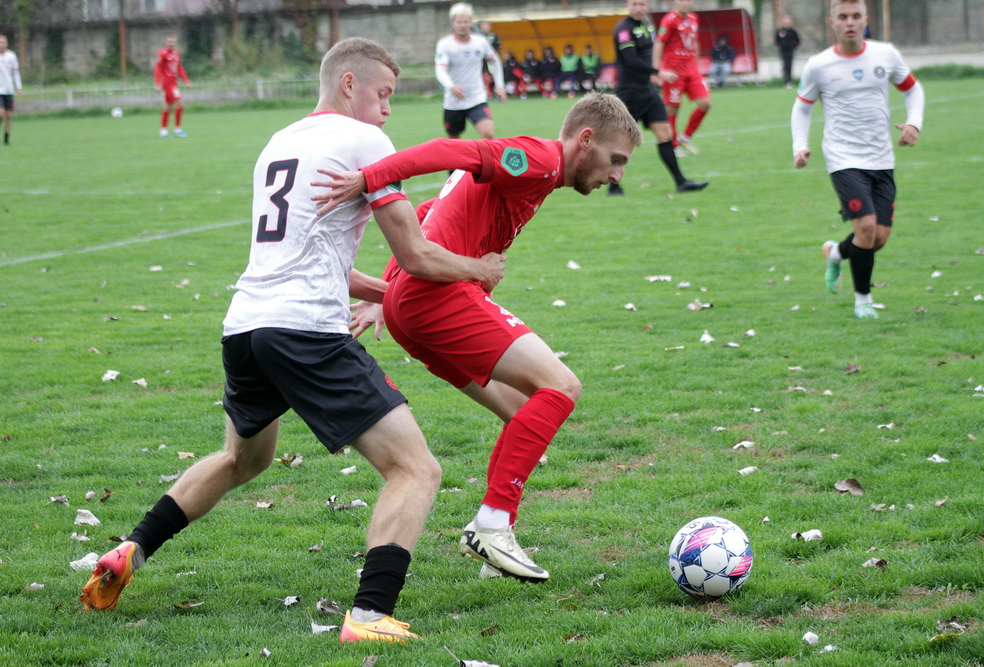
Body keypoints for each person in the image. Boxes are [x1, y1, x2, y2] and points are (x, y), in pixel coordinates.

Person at [80, 37, 506, 644]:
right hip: (306, 331)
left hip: (246, 326)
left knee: (242, 459)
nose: (389, 110)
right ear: (349, 84)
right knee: (415, 469)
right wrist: (477, 270)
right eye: (384, 94)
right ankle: (369, 616)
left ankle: (132, 549)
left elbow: (315, 258)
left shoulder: (278, 143)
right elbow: (414, 254)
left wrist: (388, 295)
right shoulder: (364, 142)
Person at [311, 93, 642, 583]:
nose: (617, 175)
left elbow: (431, 208)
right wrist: (370, 177)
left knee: (522, 409)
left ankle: (496, 548)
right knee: (561, 386)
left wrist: (387, 292)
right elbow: (448, 151)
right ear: (586, 140)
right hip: (437, 297)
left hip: (412, 304)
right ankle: (492, 525)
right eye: (616, 160)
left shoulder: (540, 175)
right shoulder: (537, 158)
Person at [792, 0, 924, 320]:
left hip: (881, 156)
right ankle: (863, 301)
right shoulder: (818, 65)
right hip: (843, 158)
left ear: (865, 19)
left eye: (855, 16)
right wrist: (800, 145)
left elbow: (913, 90)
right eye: (842, 17)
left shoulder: (885, 54)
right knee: (865, 228)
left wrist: (914, 123)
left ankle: (836, 253)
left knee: (878, 238)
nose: (849, 22)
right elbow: (802, 107)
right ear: (832, 22)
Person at [610, 0, 707, 196]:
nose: (638, 8)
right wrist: (658, 72)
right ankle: (613, 186)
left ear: (648, 6)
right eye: (635, 4)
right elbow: (631, 60)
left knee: (665, 134)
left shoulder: (647, 24)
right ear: (628, 5)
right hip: (630, 92)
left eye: (642, 4)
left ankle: (681, 182)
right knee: (623, 140)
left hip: (648, 90)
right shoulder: (623, 29)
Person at [436, 3, 506, 140]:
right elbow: (440, 70)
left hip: (477, 98)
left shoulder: (480, 42)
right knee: (453, 140)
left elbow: (495, 61)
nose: (462, 25)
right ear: (452, 23)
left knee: (488, 134)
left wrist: (500, 86)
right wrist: (451, 87)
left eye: (466, 21)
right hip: (454, 101)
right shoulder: (445, 44)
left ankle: (483, 155)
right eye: (459, 22)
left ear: (471, 23)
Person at [652, 0, 712, 156]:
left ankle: (685, 138)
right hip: (674, 71)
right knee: (673, 108)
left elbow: (695, 42)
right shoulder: (669, 20)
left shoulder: (693, 18)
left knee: (705, 103)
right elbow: (659, 43)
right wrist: (657, 70)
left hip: (692, 71)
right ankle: (673, 146)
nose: (685, 3)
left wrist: (697, 66)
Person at [153, 35, 191, 138]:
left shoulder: (176, 54)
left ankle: (163, 131)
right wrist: (157, 83)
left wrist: (186, 80)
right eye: (170, 41)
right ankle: (178, 130)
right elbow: (158, 68)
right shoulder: (162, 53)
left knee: (168, 107)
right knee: (180, 103)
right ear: (166, 42)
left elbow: (179, 68)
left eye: (173, 41)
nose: (172, 43)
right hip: (167, 84)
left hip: (174, 83)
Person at [0, 34, 23, 146]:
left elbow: (16, 73)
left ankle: (6, 139)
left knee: (8, 117)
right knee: (0, 113)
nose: (2, 44)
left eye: (3, 42)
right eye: (0, 42)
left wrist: (19, 87)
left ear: (7, 43)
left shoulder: (11, 56)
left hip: (9, 90)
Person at [775, 16, 801, 88]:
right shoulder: (781, 31)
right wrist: (779, 47)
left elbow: (797, 40)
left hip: (790, 51)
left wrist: (793, 46)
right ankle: (786, 81)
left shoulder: (793, 32)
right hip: (783, 51)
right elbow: (777, 40)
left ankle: (789, 81)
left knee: (789, 65)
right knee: (784, 66)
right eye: (786, 23)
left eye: (789, 23)